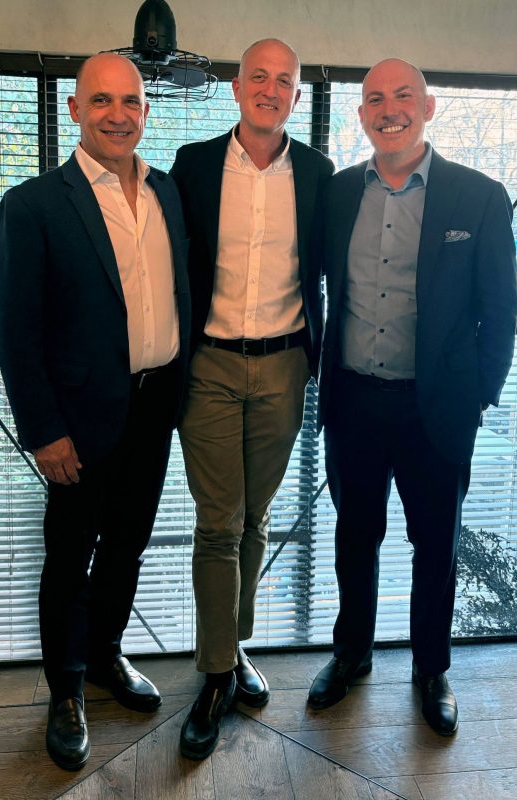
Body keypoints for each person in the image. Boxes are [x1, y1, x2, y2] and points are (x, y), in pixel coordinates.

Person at [307, 58, 517, 735]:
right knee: (354, 537)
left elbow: (501, 308)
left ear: (428, 108)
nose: (389, 109)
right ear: (361, 114)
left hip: (438, 409)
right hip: (355, 403)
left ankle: (431, 669)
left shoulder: (478, 196)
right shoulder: (339, 193)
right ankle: (352, 654)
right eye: (375, 99)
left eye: (403, 96)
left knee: (435, 545)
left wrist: (479, 395)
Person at [0, 53, 190, 770]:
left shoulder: (166, 192)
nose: (117, 114)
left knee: (128, 545)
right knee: (70, 555)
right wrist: (44, 429)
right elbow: (17, 329)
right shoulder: (34, 205)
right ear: (75, 110)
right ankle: (67, 690)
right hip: (76, 421)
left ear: (146, 111)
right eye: (101, 100)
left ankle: (105, 654)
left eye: (130, 101)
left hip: (155, 406)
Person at [170, 38, 334, 759]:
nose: (270, 89)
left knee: (255, 518)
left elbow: (336, 272)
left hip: (285, 366)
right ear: (237, 88)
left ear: (297, 96)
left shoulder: (320, 174)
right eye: (258, 77)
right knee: (219, 520)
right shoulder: (194, 165)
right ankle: (214, 677)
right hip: (208, 364)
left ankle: (232, 647)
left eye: (284, 81)